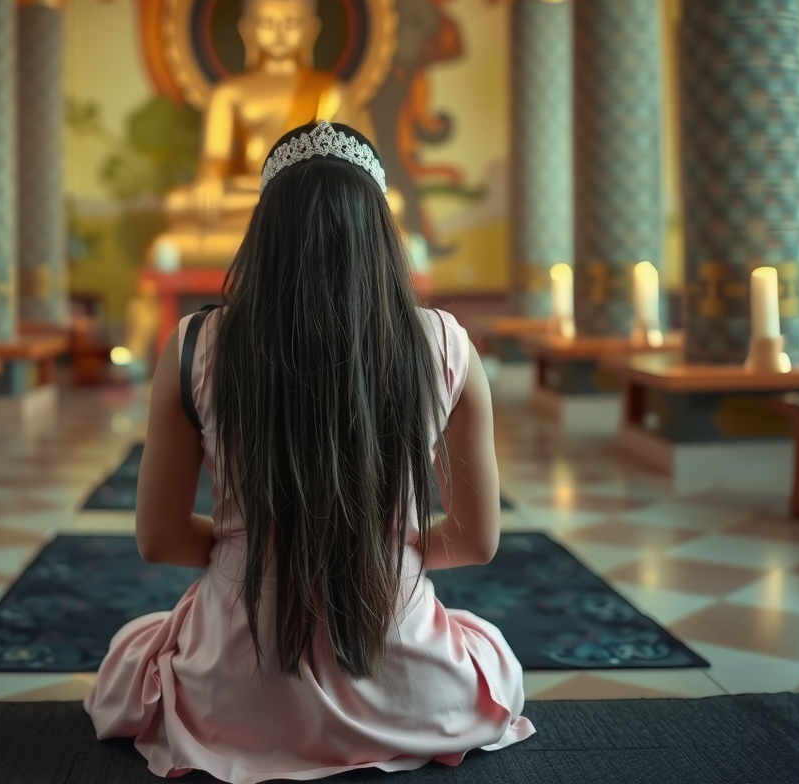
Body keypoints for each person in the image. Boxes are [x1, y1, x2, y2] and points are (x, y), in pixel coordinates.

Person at [85, 121, 534, 782]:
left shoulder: (194, 344)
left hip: (233, 692)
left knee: (132, 655)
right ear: (381, 231)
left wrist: (256, 545)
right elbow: (476, 540)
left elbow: (158, 539)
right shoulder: (446, 344)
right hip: (405, 683)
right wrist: (383, 550)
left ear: (264, 232)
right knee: (492, 655)